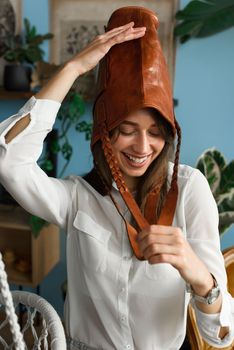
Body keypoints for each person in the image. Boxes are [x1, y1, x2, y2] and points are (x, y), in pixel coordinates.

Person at [0, 6, 234, 350]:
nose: (143, 146)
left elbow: (219, 332)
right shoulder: (78, 196)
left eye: (156, 132)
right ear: (104, 133)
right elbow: (8, 160)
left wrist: (197, 272)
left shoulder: (188, 189)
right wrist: (74, 67)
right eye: (127, 130)